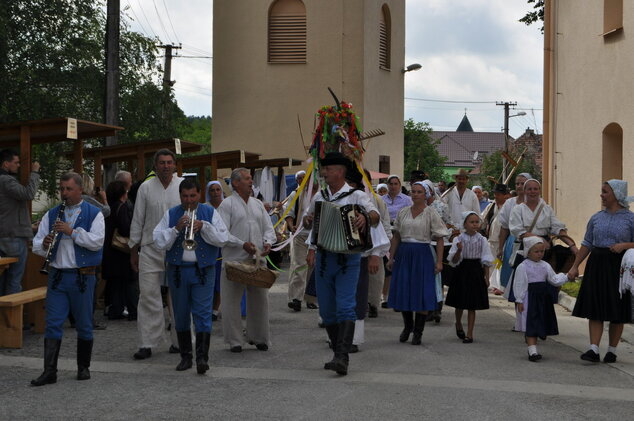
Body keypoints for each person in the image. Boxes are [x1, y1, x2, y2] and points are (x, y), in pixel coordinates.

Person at [306, 152, 380, 375]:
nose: (324, 173)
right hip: (325, 258)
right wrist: (307, 220)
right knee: (327, 310)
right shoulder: (320, 197)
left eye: (327, 169)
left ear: (339, 171)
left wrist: (365, 218)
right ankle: (338, 353)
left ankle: (342, 356)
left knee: (345, 305)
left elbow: (375, 215)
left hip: (349, 258)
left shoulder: (356, 196)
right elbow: (307, 220)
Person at [31, 172, 105, 386]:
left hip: (83, 276)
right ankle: (49, 371)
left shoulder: (95, 213)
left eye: (68, 189)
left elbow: (97, 242)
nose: (64, 193)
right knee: (52, 323)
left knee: (84, 324)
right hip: (57, 276)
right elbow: (36, 244)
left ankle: (83, 367)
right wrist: (44, 244)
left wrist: (72, 232)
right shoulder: (52, 213)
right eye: (62, 189)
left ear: (80, 189)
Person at [153, 178, 228, 374]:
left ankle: (202, 358)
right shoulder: (171, 214)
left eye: (192, 196)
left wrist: (204, 226)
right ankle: (186, 357)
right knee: (181, 314)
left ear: (199, 195)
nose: (188, 200)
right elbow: (159, 241)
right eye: (185, 196)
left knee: (203, 314)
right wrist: (176, 228)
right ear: (180, 196)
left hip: (203, 271)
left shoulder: (210, 212)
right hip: (178, 271)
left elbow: (222, 238)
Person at [568, 180, 634, 363]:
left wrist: (625, 245)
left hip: (618, 267)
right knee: (595, 307)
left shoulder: (630, 218)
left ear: (616, 194)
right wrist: (575, 266)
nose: (601, 195)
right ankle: (593, 349)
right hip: (597, 264)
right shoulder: (596, 217)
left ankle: (612, 350)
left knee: (617, 309)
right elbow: (587, 243)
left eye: (605, 192)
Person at [129, 149, 184, 360]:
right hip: (150, 247)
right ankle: (147, 343)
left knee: (177, 295)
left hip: (177, 248)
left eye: (169, 162)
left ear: (175, 165)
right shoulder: (145, 188)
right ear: (155, 165)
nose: (166, 166)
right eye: (162, 162)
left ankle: (180, 341)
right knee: (148, 295)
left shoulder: (182, 186)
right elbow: (138, 219)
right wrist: (133, 249)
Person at [217, 168, 276, 353]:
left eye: (251, 178)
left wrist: (267, 242)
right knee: (231, 301)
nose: (251, 182)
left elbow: (268, 228)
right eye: (247, 179)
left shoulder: (257, 204)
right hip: (234, 260)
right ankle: (235, 340)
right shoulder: (227, 205)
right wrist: (241, 244)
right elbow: (221, 233)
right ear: (235, 183)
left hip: (256, 260)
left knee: (260, 299)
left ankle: (259, 337)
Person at [508, 178, 577, 331]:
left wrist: (571, 244)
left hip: (545, 251)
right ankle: (522, 320)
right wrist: (537, 239)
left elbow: (557, 226)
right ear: (525, 191)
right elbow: (517, 230)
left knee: (543, 285)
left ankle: (541, 319)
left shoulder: (546, 208)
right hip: (526, 248)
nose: (532, 192)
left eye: (535, 189)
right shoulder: (518, 209)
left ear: (539, 191)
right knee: (523, 284)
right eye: (529, 189)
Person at [387, 182, 448, 345]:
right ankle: (408, 327)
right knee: (405, 290)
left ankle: (418, 332)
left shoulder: (431, 213)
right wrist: (391, 257)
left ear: (426, 194)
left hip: (423, 253)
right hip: (405, 253)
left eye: (419, 192)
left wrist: (440, 262)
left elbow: (440, 238)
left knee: (421, 292)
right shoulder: (403, 212)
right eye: (413, 192)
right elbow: (397, 236)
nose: (415, 194)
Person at [513, 237, 567, 361]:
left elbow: (553, 279)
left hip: (543, 298)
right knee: (531, 323)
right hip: (529, 298)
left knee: (541, 321)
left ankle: (539, 336)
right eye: (536, 252)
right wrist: (519, 300)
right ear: (528, 252)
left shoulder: (545, 265)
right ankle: (532, 351)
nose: (539, 254)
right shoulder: (523, 266)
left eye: (542, 251)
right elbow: (520, 283)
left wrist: (566, 277)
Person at [445, 211, 494, 343]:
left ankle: (470, 333)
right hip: (462, 270)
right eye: (471, 222)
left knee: (472, 304)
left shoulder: (482, 240)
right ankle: (459, 323)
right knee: (460, 302)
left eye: (476, 222)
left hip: (475, 270)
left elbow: (486, 259)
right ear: (464, 224)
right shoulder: (458, 239)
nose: (475, 224)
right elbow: (454, 261)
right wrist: (459, 250)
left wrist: (486, 277)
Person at [0, 149, 40, 296]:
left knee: (3, 279)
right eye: (16, 163)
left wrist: (28, 226)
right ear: (6, 164)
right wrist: (35, 172)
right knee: (14, 280)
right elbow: (28, 194)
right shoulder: (6, 180)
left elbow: (6, 212)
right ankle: (12, 318)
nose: (18, 166)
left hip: (5, 235)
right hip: (13, 237)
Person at [103, 180, 137, 320]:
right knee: (129, 281)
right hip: (121, 251)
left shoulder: (107, 207)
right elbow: (125, 228)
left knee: (116, 282)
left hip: (110, 251)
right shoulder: (122, 208)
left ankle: (115, 309)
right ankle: (133, 311)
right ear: (123, 193)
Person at [284, 170, 317, 311]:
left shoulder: (323, 194)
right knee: (300, 265)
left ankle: (310, 299)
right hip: (301, 235)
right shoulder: (296, 194)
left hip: (317, 236)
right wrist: (292, 227)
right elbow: (289, 213)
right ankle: (295, 298)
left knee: (313, 267)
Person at [422, 179, 453, 323]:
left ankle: (437, 309)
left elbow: (448, 223)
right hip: (423, 245)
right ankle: (427, 307)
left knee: (437, 278)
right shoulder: (417, 207)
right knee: (425, 278)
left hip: (439, 245)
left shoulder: (441, 205)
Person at [380, 175, 412, 308]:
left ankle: (400, 296)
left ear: (400, 185)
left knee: (400, 266)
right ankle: (385, 297)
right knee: (387, 265)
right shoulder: (381, 200)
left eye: (395, 184)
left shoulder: (407, 200)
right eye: (390, 184)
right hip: (385, 234)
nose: (393, 186)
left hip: (401, 234)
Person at [497, 173, 531, 292]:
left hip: (530, 241)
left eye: (523, 183)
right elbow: (504, 227)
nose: (520, 186)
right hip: (512, 241)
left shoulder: (535, 203)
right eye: (517, 183)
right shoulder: (509, 203)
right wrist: (500, 247)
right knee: (511, 272)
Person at [482, 183, 510, 294]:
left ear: (504, 195)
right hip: (491, 239)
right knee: (491, 262)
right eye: (495, 193)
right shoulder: (491, 206)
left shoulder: (508, 207)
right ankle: (490, 283)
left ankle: (499, 285)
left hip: (503, 239)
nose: (496, 196)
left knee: (501, 263)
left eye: (498, 194)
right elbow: (483, 219)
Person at [206, 180, 225, 321]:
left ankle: (215, 309)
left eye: (218, 189)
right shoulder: (204, 208)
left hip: (223, 248)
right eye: (212, 190)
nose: (215, 192)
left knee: (219, 279)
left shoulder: (226, 207)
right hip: (208, 247)